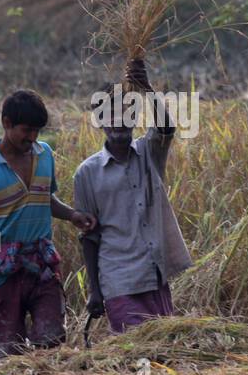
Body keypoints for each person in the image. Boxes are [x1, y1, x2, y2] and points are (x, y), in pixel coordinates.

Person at [0, 89, 96, 355]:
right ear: (7, 123)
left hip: (42, 265)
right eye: (26, 130)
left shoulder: (44, 154)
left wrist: (72, 215)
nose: (32, 138)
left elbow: (46, 197)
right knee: (5, 353)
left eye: (37, 131)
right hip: (3, 269)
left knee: (52, 343)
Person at [74, 60, 192, 335]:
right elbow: (89, 236)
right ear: (100, 121)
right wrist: (95, 290)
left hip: (154, 276)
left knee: (163, 351)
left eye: (126, 113)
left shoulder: (149, 153)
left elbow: (166, 129)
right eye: (110, 114)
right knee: (135, 353)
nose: (119, 120)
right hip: (119, 281)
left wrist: (146, 89)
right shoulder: (87, 174)